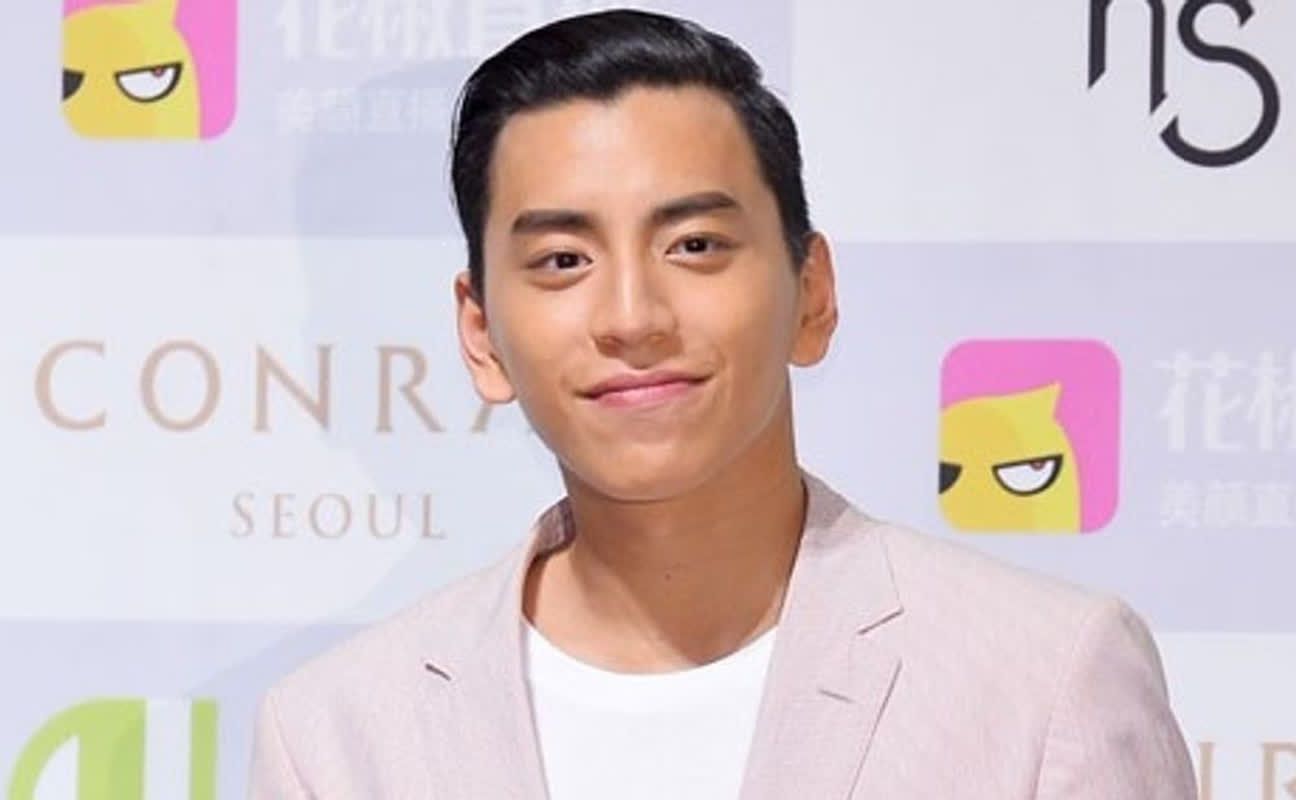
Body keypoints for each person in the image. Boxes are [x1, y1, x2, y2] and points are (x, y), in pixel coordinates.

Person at [249, 9, 1197, 799]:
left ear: (811, 293)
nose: (633, 316)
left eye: (695, 245)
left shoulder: (1044, 678)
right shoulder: (337, 738)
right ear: (482, 333)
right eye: (563, 260)